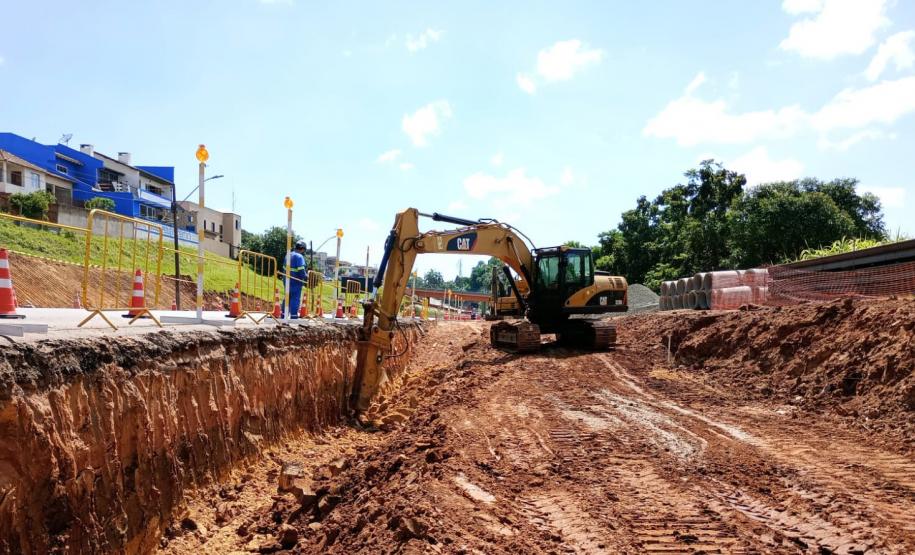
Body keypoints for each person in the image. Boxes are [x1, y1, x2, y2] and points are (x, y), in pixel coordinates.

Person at [285, 241, 308, 318]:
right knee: (295, 298)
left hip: (286, 280)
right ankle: (294, 316)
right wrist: (306, 278)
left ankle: (283, 315)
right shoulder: (299, 257)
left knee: (287, 297)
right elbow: (301, 271)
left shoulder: (288, 255)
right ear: (302, 249)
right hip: (296, 281)